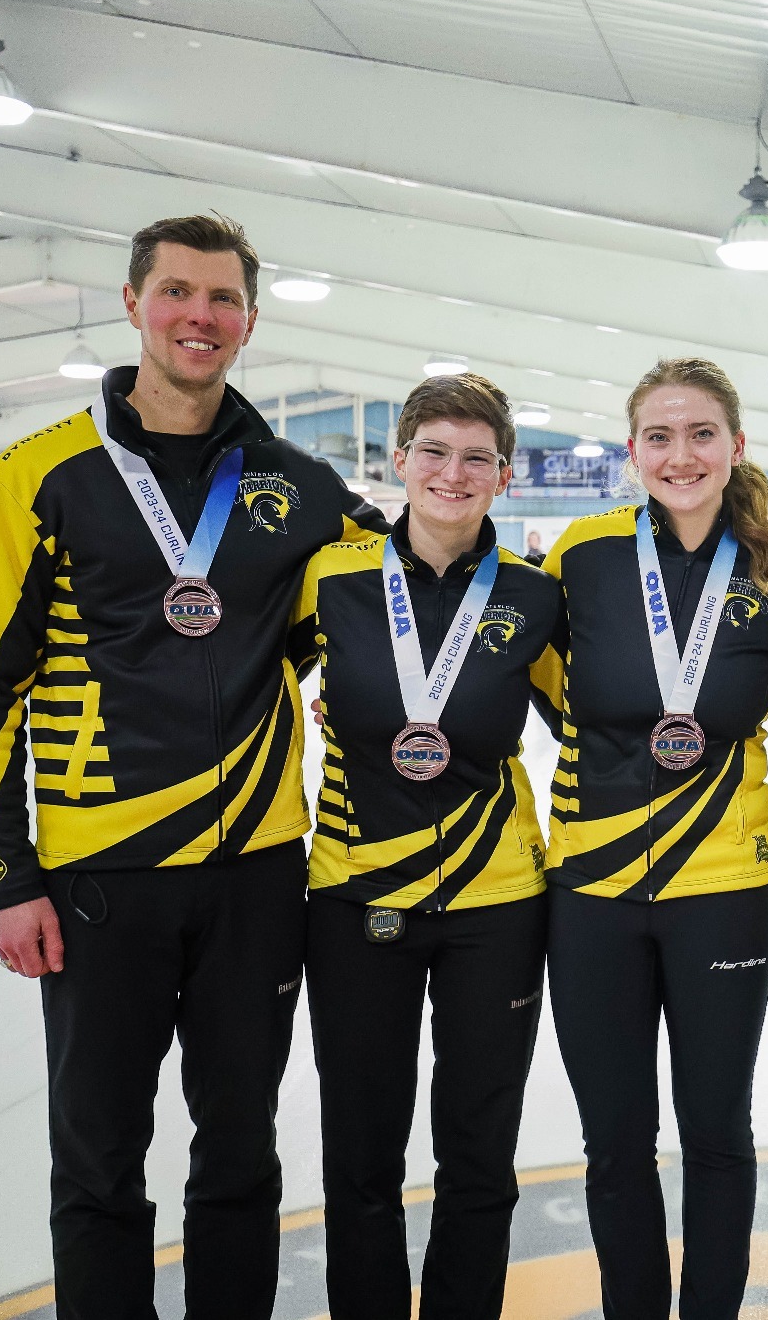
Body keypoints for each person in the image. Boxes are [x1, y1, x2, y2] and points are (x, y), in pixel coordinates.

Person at [0, 212, 384, 1318]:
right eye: (180, 292)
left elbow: (379, 598)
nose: (201, 315)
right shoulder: (37, 476)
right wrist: (7, 875)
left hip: (256, 875)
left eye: (224, 298)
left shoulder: (299, 483)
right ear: (135, 301)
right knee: (98, 1159)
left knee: (240, 1150)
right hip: (103, 878)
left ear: (248, 319)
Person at [537, 357, 768, 1320]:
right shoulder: (583, 553)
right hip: (594, 894)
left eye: (702, 434)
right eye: (660, 435)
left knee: (716, 1134)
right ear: (632, 450)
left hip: (725, 891)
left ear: (736, 447)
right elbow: (521, 676)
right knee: (614, 1138)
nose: (681, 454)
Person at [292, 373, 560, 1319]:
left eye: (476, 457)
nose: (454, 473)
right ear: (398, 461)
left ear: (505, 474)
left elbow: (597, 715)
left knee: (479, 1154)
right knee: (361, 1153)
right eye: (434, 453)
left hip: (496, 905)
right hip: (357, 895)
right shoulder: (327, 574)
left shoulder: (536, 595)